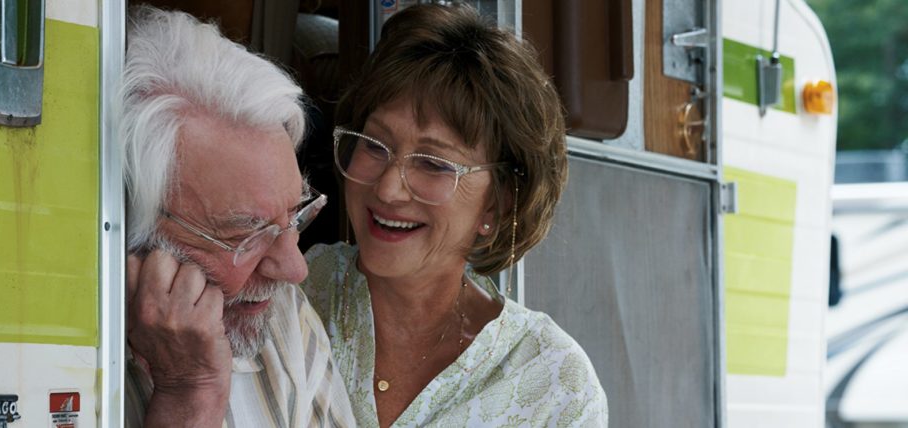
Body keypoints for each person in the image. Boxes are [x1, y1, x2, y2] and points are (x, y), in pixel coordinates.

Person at [301, 4, 608, 427]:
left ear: (498, 203)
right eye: (374, 144)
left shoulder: (551, 382)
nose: (388, 188)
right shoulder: (290, 293)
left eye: (433, 164)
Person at [120, 6, 353, 427]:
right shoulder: (55, 357)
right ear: (132, 228)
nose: (296, 269)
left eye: (293, 216)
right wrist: (192, 397)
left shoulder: (282, 317)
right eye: (248, 235)